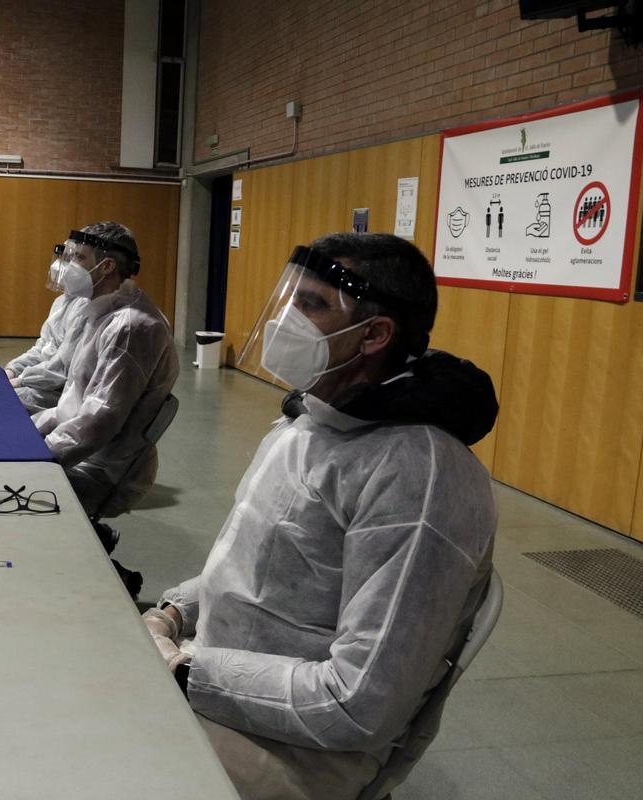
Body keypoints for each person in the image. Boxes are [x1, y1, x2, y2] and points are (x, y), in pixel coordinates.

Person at [143, 232, 499, 800]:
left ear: (375, 335)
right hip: (219, 681)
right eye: (291, 300)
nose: (288, 319)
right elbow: (248, 566)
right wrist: (173, 613)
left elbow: (356, 705)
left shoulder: (416, 476)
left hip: (302, 750)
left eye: (311, 305)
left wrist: (187, 672)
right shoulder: (308, 423)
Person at [33, 222, 178, 520]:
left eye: (78, 258)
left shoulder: (130, 327)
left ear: (107, 266)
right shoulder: (101, 311)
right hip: (85, 452)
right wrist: (31, 431)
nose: (66, 266)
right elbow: (73, 402)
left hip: (100, 469)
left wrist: (40, 454)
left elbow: (100, 418)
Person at [3, 244, 89, 415]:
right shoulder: (61, 302)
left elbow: (63, 369)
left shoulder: (86, 307)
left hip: (59, 392)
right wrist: (13, 370)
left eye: (74, 258)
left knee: (0, 401)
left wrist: (22, 380)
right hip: (42, 383)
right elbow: (42, 348)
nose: (61, 265)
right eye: (63, 258)